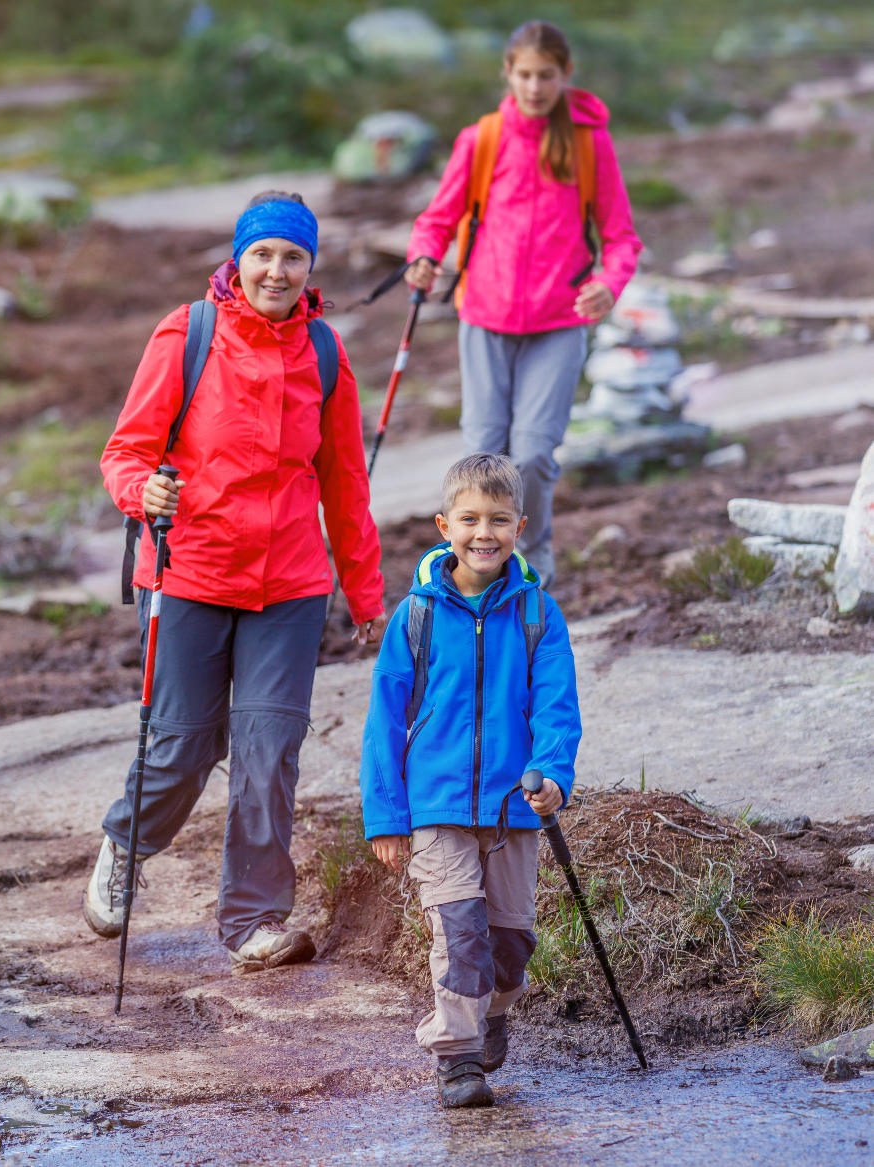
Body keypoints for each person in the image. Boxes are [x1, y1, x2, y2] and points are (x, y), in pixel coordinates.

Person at [86, 192, 386, 973]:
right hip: (189, 570)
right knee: (184, 744)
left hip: (288, 583)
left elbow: (344, 484)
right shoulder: (187, 332)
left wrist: (366, 594)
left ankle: (254, 919)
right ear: (237, 258)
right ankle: (126, 842)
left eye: (292, 257)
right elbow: (125, 451)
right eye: (263, 254)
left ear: (309, 267)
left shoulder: (324, 353)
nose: (276, 270)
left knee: (267, 748)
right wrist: (138, 490)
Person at [361, 453, 581, 1108]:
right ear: (443, 524)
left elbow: (556, 707)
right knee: (459, 932)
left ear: (520, 525)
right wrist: (385, 816)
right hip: (434, 807)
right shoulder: (416, 616)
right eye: (468, 519)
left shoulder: (538, 614)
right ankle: (455, 1056)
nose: (482, 533)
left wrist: (553, 777)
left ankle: (492, 1010)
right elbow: (383, 719)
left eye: (497, 519)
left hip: (512, 808)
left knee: (508, 946)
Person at [404, 21, 642, 586]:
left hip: (558, 323)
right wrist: (423, 255)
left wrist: (611, 282)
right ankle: (473, 565)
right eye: (525, 74)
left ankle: (532, 558)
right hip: (484, 319)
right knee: (483, 453)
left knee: (532, 454)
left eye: (547, 75)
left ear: (565, 76)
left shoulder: (588, 142)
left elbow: (621, 236)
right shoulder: (481, 139)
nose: (535, 87)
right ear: (507, 73)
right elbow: (437, 219)